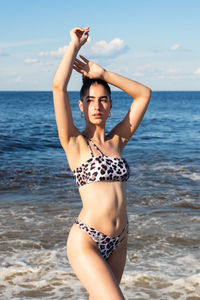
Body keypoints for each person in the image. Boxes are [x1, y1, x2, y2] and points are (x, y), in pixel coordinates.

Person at [53, 26, 151, 300]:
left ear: (110, 106)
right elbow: (58, 87)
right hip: (87, 239)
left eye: (103, 100)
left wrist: (104, 74)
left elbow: (143, 94)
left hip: (119, 241)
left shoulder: (118, 139)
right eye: (90, 100)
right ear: (81, 107)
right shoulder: (74, 142)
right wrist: (74, 45)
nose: (97, 105)